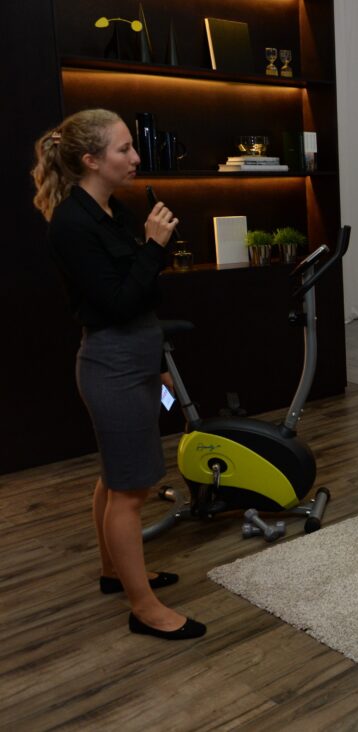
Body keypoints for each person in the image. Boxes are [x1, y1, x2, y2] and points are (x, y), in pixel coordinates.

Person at [31, 109, 206, 640]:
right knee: (132, 490)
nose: (135, 158)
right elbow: (116, 303)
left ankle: (115, 573)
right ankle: (143, 607)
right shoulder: (72, 223)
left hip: (133, 361)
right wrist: (154, 246)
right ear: (90, 160)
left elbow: (144, 298)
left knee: (115, 478)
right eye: (124, 149)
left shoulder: (110, 211)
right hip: (110, 364)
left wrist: (156, 369)